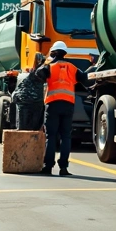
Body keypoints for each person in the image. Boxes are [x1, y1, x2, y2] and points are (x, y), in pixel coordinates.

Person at [34, 41, 89, 176]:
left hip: (52, 104)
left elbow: (38, 75)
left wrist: (44, 63)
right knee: (66, 136)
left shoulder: (49, 67)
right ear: (65, 53)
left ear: (53, 53)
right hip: (68, 105)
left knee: (51, 136)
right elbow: (85, 79)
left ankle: (48, 167)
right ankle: (63, 168)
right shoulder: (72, 67)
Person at [13, 53, 46, 131]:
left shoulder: (29, 74)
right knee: (33, 127)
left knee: (23, 126)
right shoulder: (41, 71)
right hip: (34, 100)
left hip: (25, 100)